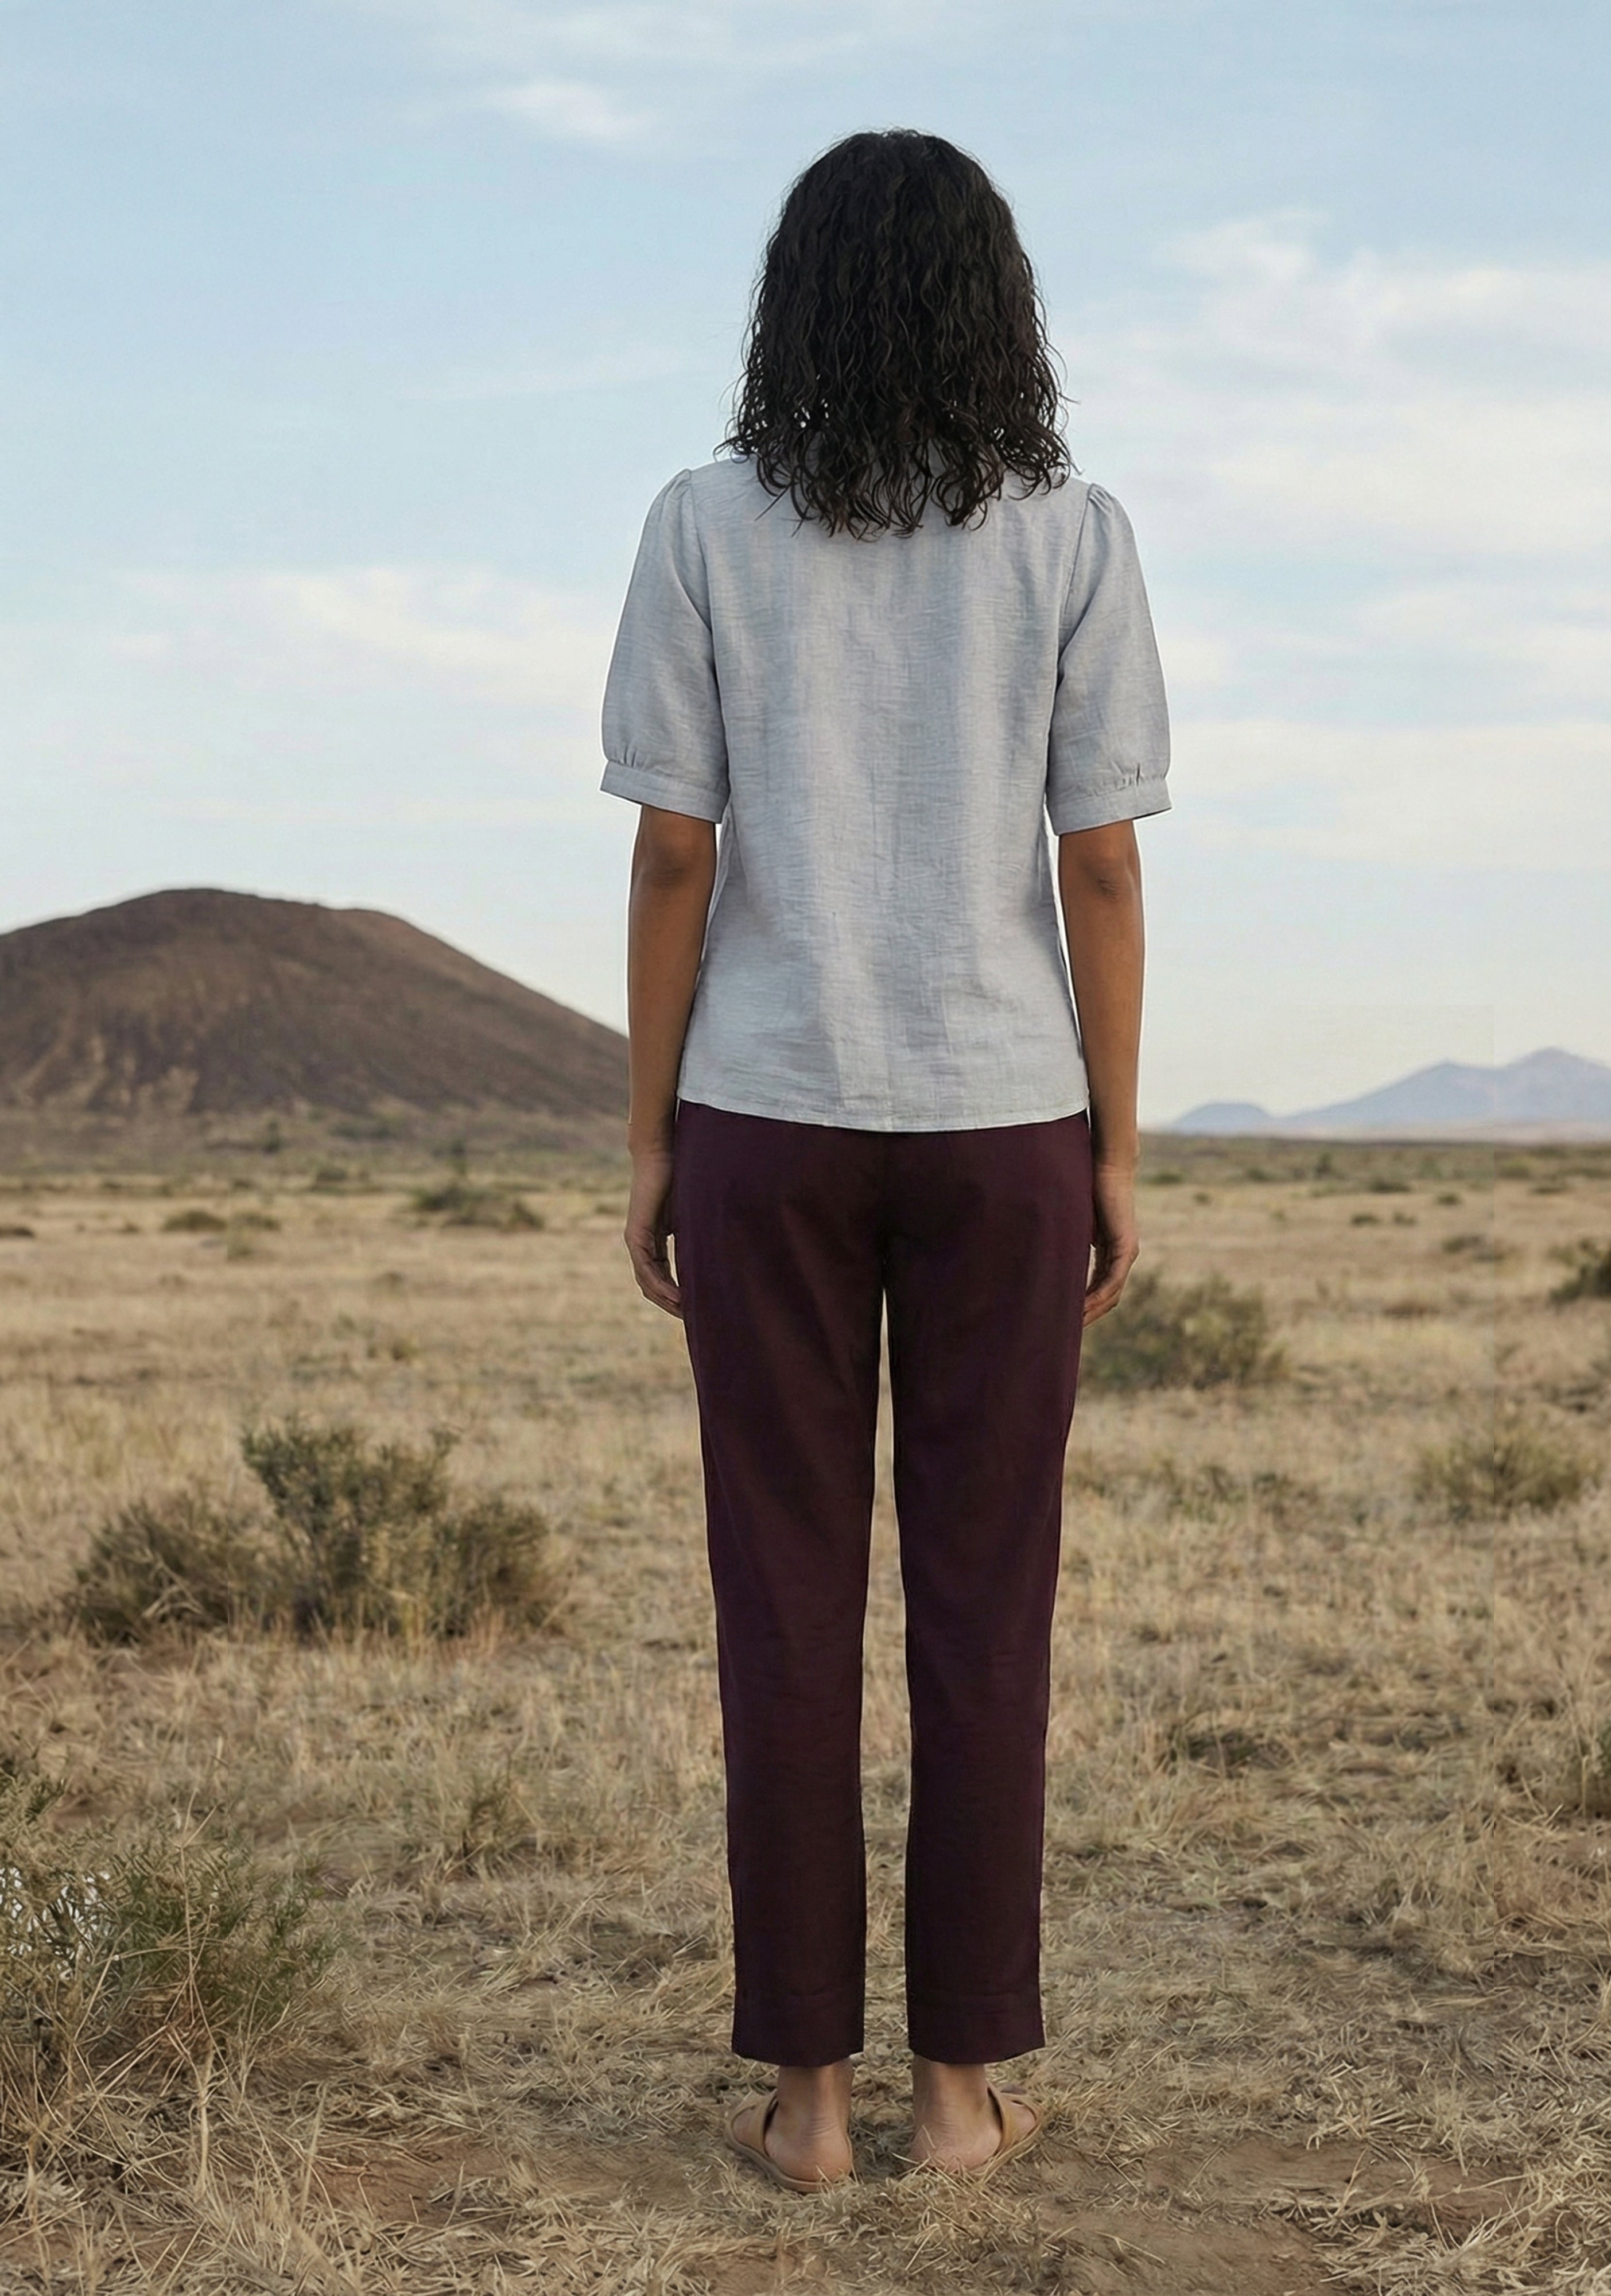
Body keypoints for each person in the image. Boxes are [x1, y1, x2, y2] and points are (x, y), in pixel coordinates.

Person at [599, 127, 1169, 2190]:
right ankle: (960, 2100)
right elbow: (1096, 861)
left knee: (783, 1599)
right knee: (986, 1601)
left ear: (796, 301)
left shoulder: (700, 524)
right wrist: (1115, 1141)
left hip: (767, 1113)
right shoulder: (1072, 533)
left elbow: (678, 844)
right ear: (996, 306)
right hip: (1007, 1113)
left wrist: (652, 1131)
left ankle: (806, 2106)